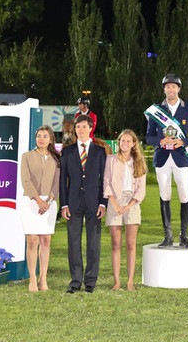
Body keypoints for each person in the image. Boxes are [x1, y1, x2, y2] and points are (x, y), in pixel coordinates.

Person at [145, 73, 188, 248]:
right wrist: (159, 141)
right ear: (164, 89)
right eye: (167, 86)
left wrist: (183, 141)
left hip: (181, 157)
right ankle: (167, 235)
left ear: (179, 89)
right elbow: (148, 136)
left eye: (173, 86)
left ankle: (183, 236)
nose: (170, 89)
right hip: (162, 157)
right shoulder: (156, 110)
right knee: (165, 194)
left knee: (185, 195)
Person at [60, 114, 107, 293]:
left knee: (93, 243)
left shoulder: (100, 151)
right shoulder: (67, 152)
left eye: (84, 127)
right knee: (73, 242)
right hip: (72, 203)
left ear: (90, 128)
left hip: (94, 202)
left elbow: (105, 180)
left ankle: (90, 281)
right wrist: (63, 204)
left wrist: (103, 203)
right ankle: (75, 280)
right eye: (77, 127)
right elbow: (62, 181)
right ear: (74, 129)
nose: (80, 130)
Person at [104, 129, 146, 291]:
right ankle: (116, 281)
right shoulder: (111, 160)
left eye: (129, 141)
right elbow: (106, 182)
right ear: (118, 143)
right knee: (116, 244)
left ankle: (130, 281)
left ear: (134, 143)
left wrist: (129, 205)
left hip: (132, 202)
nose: (125, 144)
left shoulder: (139, 162)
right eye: (122, 141)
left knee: (130, 244)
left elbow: (141, 189)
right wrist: (114, 204)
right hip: (114, 200)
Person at [19, 125, 60, 292]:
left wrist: (48, 201)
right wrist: (37, 200)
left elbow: (57, 182)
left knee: (46, 240)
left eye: (45, 136)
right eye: (39, 136)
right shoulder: (27, 156)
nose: (41, 139)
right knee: (32, 240)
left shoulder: (56, 158)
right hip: (30, 201)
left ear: (50, 139)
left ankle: (43, 279)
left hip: (49, 202)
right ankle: (32, 279)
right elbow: (25, 180)